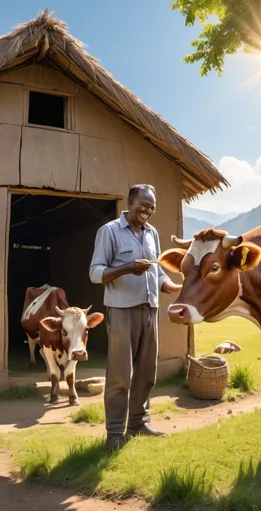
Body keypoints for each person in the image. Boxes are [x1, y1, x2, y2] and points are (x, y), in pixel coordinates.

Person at [89, 183, 181, 451]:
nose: (147, 210)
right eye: (143, 204)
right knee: (120, 375)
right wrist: (127, 268)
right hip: (122, 312)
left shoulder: (152, 233)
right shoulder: (109, 232)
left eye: (152, 206)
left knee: (146, 372)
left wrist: (174, 287)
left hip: (149, 310)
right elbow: (95, 272)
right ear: (129, 202)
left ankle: (139, 424)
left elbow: (158, 271)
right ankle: (115, 433)